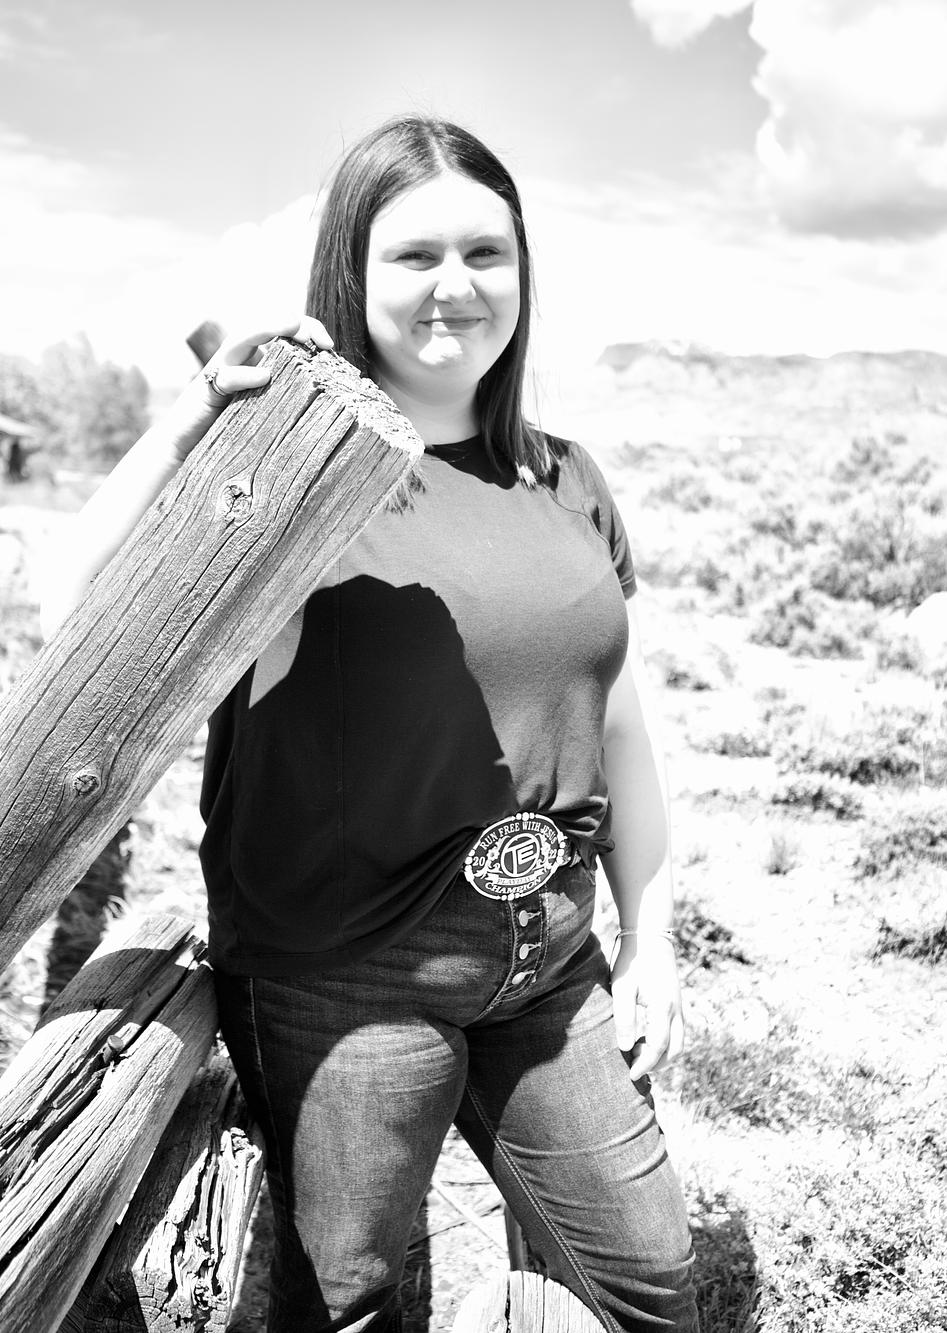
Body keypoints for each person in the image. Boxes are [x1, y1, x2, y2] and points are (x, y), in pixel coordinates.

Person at [41, 117, 699, 1333]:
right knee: (350, 1304)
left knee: (648, 1285)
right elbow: (78, 615)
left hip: (550, 953)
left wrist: (651, 932)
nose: (456, 285)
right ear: (351, 271)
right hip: (345, 973)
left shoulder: (565, 477)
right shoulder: (305, 473)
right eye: (414, 255)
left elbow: (618, 723)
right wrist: (191, 420)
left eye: (485, 253)